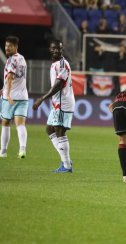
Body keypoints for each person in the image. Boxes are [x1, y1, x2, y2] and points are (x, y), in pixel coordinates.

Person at [32, 40, 75, 173]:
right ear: (50, 49)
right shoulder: (55, 63)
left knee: (59, 131)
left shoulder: (62, 64)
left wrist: (42, 98)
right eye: (54, 48)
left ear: (62, 50)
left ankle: (67, 165)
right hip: (57, 102)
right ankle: (66, 159)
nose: (57, 51)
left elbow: (59, 85)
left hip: (63, 102)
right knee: (50, 129)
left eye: (59, 49)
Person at [0, 36, 28, 159]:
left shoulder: (11, 60)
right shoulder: (22, 59)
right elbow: (19, 78)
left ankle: (3, 152)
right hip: (23, 97)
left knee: (5, 123)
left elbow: (10, 77)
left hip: (10, 98)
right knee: (20, 124)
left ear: (16, 47)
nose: (7, 48)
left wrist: (7, 94)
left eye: (10, 46)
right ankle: (22, 150)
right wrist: (4, 88)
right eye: (6, 45)